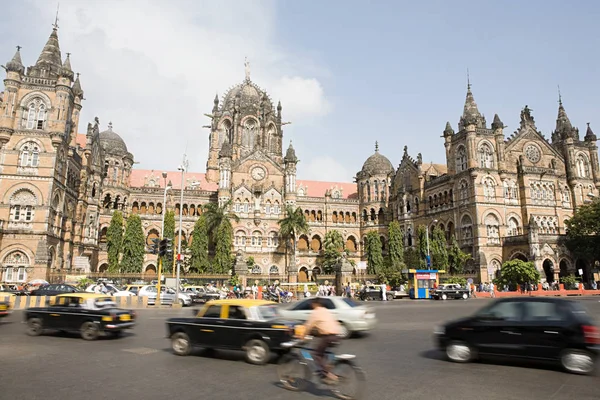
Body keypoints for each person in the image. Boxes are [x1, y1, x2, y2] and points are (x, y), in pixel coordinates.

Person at [302, 298, 342, 383]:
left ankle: (326, 374)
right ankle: (326, 367)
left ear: (315, 304)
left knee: (316, 354)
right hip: (336, 335)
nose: (311, 305)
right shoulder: (325, 310)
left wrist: (302, 336)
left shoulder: (315, 313)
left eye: (312, 304)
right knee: (323, 352)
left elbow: (308, 326)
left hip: (328, 337)